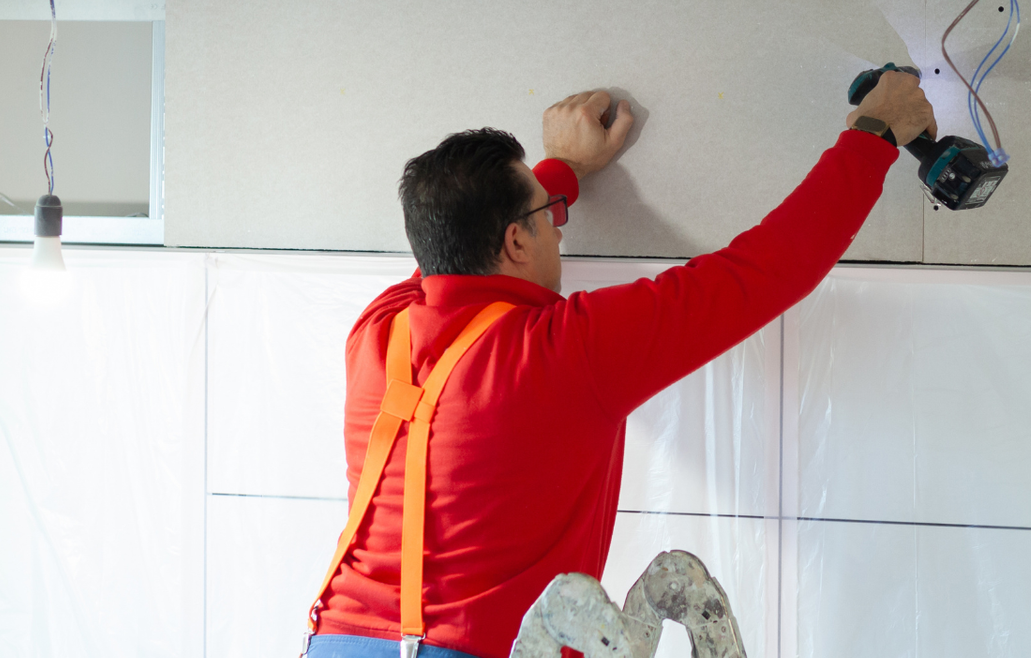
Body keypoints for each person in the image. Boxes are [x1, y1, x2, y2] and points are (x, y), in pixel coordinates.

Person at [303, 72, 937, 658]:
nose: (559, 225)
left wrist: (562, 169)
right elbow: (765, 271)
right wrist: (873, 134)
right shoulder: (566, 351)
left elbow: (447, 251)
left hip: (338, 640)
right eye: (546, 214)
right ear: (516, 241)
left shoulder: (379, 331)